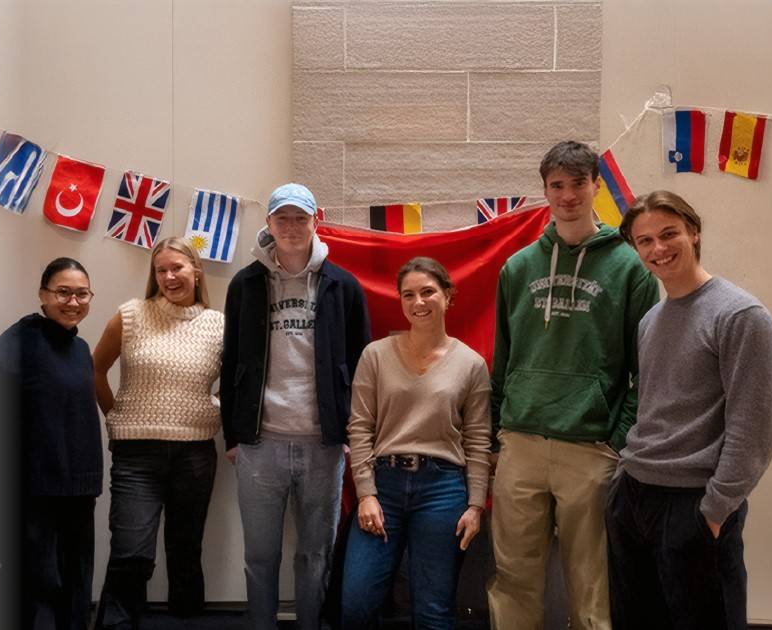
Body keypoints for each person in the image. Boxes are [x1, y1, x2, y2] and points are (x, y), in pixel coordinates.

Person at [487, 141, 660, 630]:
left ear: (596, 186)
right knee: (514, 578)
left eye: (578, 183)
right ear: (544, 191)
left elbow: (646, 369)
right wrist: (498, 431)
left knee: (592, 583)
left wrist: (617, 437)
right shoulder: (518, 267)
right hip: (521, 441)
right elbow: (503, 358)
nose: (567, 195)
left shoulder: (631, 268)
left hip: (590, 447)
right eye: (557, 185)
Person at [606, 190, 772, 630]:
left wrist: (715, 511)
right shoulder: (651, 320)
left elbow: (753, 429)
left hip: (694, 505)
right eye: (645, 241)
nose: (658, 249)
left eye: (669, 234)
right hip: (634, 498)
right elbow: (652, 410)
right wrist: (622, 483)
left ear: (694, 232)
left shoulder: (740, 315)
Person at [221, 182, 371, 630]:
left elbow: (361, 366)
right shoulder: (245, 284)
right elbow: (232, 362)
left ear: (314, 221)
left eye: (300, 218)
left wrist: (349, 433)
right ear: (268, 223)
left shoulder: (343, 285)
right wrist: (233, 435)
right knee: (260, 554)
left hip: (323, 445)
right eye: (282, 218)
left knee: (315, 553)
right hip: (260, 444)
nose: (291, 227)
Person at [0, 257, 103, 630]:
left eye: (82, 294)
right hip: (31, 492)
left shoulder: (80, 349)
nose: (73, 302)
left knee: (75, 583)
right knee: (34, 588)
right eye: (63, 292)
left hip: (77, 492)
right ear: (43, 295)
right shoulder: (22, 340)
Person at [341, 257, 490, 630]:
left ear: (448, 296)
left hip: (443, 489)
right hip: (384, 486)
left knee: (433, 611)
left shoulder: (471, 364)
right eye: (408, 295)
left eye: (428, 292)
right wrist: (366, 494)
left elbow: (477, 439)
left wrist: (476, 505)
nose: (418, 302)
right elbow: (360, 428)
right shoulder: (376, 355)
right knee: (356, 604)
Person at [91, 237, 225, 629]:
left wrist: (214, 406)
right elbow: (95, 369)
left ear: (196, 271)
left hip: (195, 454)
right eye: (160, 270)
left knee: (186, 552)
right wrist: (116, 416)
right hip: (136, 455)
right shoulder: (131, 315)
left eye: (176, 267)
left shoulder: (219, 325)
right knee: (131, 552)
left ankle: (187, 621)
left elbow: (240, 382)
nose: (169, 277)